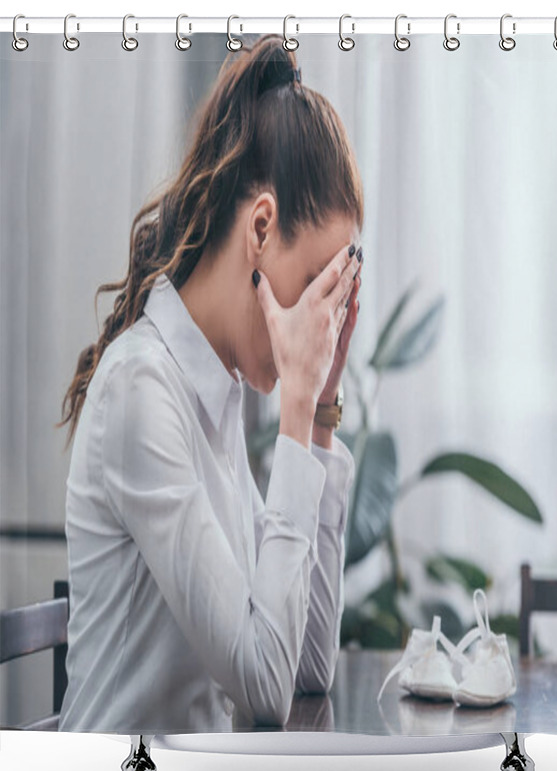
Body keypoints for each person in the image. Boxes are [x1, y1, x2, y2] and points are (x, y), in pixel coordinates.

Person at [55, 34, 364, 734]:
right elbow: (261, 685)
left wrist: (317, 416)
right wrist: (291, 409)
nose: (322, 316)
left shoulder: (218, 393)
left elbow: (306, 668)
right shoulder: (143, 390)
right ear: (261, 227)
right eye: (318, 284)